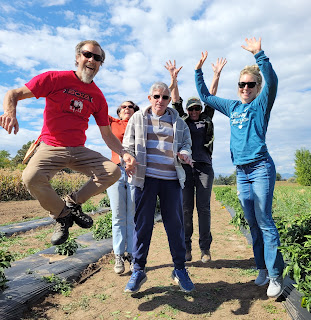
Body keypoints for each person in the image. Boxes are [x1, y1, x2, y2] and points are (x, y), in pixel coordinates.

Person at [0, 40, 136, 246]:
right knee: (30, 177)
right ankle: (62, 215)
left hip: (78, 149)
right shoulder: (54, 79)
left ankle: (72, 202)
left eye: (97, 58)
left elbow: (107, 135)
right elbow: (13, 94)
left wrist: (124, 153)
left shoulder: (98, 97)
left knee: (113, 171)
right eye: (87, 55)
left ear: (100, 64)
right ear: (77, 57)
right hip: (51, 145)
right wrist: (10, 112)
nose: (91, 60)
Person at [195, 37, 284, 298]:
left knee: (265, 220)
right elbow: (205, 96)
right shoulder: (232, 107)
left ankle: (276, 275)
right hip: (241, 173)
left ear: (257, 88)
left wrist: (260, 55)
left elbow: (274, 82)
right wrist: (200, 71)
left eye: (250, 85)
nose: (245, 88)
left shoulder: (260, 104)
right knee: (253, 222)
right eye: (242, 84)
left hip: (260, 168)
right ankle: (262, 269)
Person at [122, 80, 195, 293]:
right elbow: (126, 146)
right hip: (145, 179)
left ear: (169, 100)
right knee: (142, 224)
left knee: (175, 225)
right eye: (156, 96)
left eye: (164, 97)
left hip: (171, 180)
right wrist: (128, 159)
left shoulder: (179, 122)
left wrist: (185, 154)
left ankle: (180, 269)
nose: (160, 101)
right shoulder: (138, 118)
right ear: (149, 98)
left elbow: (186, 144)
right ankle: (138, 270)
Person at [165, 58, 227, 263]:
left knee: (204, 208)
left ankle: (205, 249)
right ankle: (187, 247)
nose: (193, 111)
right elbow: (175, 100)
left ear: (200, 109)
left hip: (204, 168)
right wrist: (173, 78)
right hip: (184, 168)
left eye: (196, 109)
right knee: (185, 209)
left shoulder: (206, 118)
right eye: (191, 109)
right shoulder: (181, 119)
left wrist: (216, 75)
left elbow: (211, 96)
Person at [107, 101, 139, 274]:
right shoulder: (112, 123)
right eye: (123, 107)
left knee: (132, 215)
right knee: (118, 215)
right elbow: (96, 108)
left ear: (135, 111)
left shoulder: (139, 124)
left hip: (134, 172)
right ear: (119, 113)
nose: (127, 109)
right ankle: (119, 255)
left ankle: (132, 254)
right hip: (116, 171)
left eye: (130, 107)